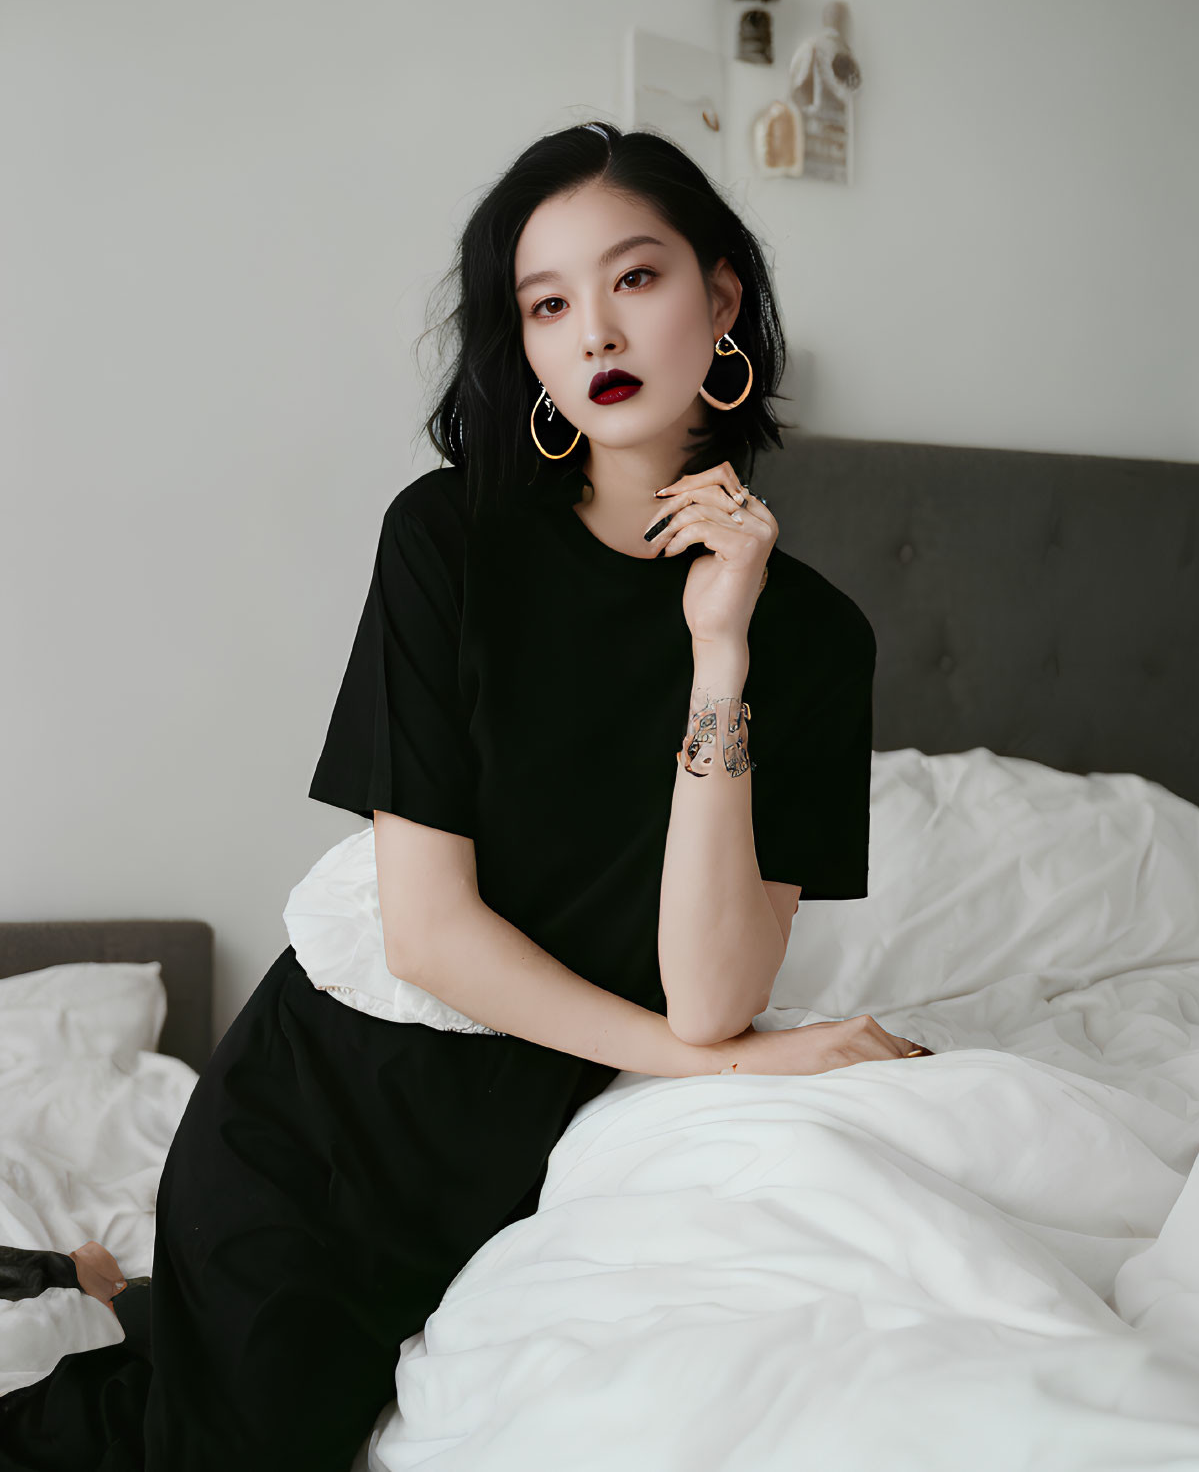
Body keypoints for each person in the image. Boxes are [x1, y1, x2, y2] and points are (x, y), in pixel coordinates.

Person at [0, 120, 931, 1472]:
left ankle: (126, 1307)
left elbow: (711, 987)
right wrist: (718, 1068)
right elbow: (431, 934)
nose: (595, 333)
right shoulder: (449, 540)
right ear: (528, 349)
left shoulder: (811, 638)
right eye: (548, 304)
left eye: (635, 279)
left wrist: (719, 646)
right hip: (315, 1131)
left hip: (515, 1165)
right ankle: (106, 1307)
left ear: (721, 299)